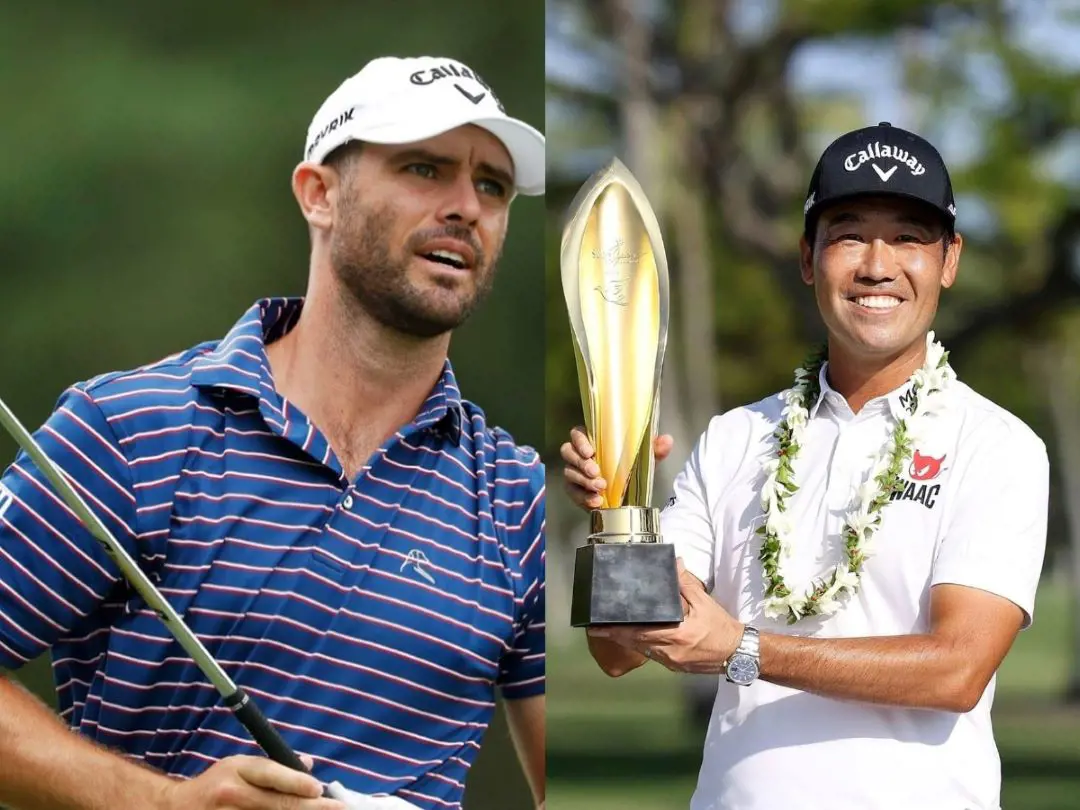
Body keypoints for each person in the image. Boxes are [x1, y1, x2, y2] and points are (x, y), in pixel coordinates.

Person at [0, 55, 546, 810]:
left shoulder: (516, 496)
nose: (467, 206)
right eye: (425, 169)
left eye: (493, 185)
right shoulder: (132, 431)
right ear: (319, 194)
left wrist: (628, 516)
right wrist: (163, 803)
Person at [561, 122, 1049, 810]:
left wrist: (744, 647)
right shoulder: (734, 437)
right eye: (849, 234)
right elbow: (618, 651)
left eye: (909, 237)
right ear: (807, 257)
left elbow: (957, 669)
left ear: (949, 260)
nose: (877, 265)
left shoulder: (997, 444)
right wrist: (617, 517)